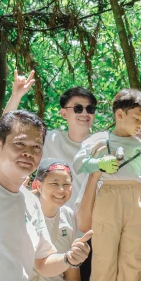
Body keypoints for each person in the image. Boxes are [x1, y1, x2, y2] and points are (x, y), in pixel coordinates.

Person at [0, 110, 92, 281]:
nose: (28, 153)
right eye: (20, 144)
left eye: (36, 147)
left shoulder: (31, 202)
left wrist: (70, 258)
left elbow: (43, 261)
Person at [76, 89, 141, 281]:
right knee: (104, 248)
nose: (140, 125)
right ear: (119, 114)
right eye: (136, 119)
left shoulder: (140, 145)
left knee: (134, 250)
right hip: (108, 194)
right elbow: (79, 163)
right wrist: (99, 164)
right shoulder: (99, 139)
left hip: (136, 196)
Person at [42, 86, 98, 215]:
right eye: (78, 108)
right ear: (63, 113)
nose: (85, 113)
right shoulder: (50, 140)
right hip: (58, 224)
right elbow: (10, 131)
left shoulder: (101, 145)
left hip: (94, 226)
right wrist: (17, 94)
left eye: (90, 109)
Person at [30, 160, 81, 281]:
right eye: (54, 183)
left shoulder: (69, 216)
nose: (61, 190)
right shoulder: (25, 212)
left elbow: (72, 274)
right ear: (38, 185)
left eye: (66, 184)